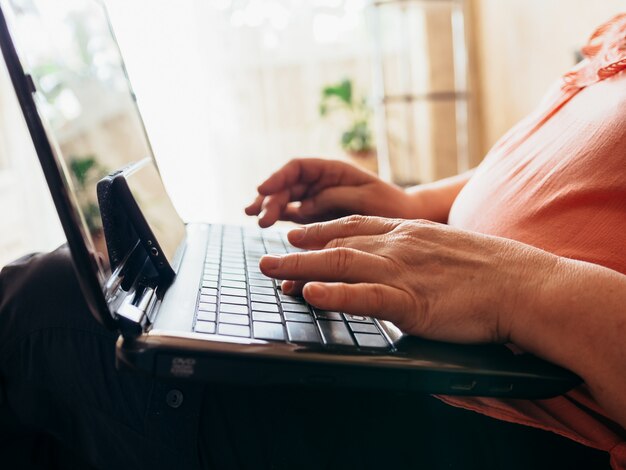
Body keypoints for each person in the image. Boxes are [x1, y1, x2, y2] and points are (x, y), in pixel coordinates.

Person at [0, 11, 624, 470]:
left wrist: (518, 287)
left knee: (46, 312)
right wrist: (414, 206)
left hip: (514, 420)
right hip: (449, 332)